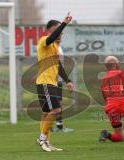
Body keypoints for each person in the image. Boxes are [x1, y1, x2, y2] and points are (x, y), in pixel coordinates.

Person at [36, 13, 74, 152]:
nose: (61, 34)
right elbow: (52, 37)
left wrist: (68, 80)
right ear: (51, 30)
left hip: (51, 83)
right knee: (56, 110)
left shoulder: (55, 48)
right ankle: (41, 139)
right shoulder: (44, 40)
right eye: (59, 30)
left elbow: (59, 66)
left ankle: (46, 142)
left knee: (46, 114)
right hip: (45, 82)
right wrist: (64, 22)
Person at [51, 44, 74, 133]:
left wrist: (67, 80)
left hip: (58, 80)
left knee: (59, 103)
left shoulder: (59, 47)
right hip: (51, 80)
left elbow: (59, 66)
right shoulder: (50, 47)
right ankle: (48, 127)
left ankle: (59, 126)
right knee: (52, 105)